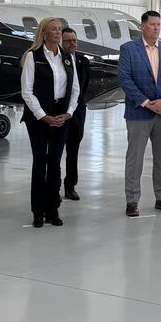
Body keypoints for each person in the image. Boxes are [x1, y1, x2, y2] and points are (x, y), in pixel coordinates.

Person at [117, 10, 161, 217]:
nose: (156, 27)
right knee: (134, 159)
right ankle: (132, 201)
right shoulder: (128, 49)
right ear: (142, 26)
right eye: (152, 24)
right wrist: (146, 102)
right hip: (139, 113)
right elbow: (125, 79)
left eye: (158, 24)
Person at [20, 17, 80, 228]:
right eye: (53, 29)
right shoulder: (32, 57)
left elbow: (75, 89)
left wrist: (68, 113)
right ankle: (38, 211)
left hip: (61, 115)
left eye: (59, 29)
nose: (57, 32)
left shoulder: (67, 58)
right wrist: (42, 115)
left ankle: (52, 209)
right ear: (44, 33)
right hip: (38, 117)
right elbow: (26, 91)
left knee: (55, 162)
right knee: (40, 162)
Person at [60, 27, 91, 201]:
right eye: (68, 41)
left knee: (73, 151)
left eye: (74, 40)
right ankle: (53, 185)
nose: (72, 43)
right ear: (61, 42)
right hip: (60, 111)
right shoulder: (57, 60)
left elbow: (83, 87)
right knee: (55, 152)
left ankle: (70, 186)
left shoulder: (83, 61)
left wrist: (78, 106)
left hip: (77, 113)